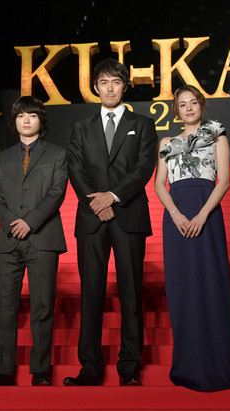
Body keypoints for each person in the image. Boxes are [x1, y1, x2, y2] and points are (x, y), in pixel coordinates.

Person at [65, 58, 157, 386]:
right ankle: (90, 367)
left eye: (115, 82)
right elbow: (75, 167)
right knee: (91, 292)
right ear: (95, 88)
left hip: (128, 215)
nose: (109, 88)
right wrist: (96, 201)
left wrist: (113, 197)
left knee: (131, 292)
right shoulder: (81, 127)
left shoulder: (143, 125)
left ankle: (129, 368)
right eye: (103, 82)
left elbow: (144, 168)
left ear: (124, 86)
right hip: (92, 218)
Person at [154, 85, 230, 391]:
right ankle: (188, 365)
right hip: (176, 218)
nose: (189, 108)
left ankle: (219, 364)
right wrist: (176, 215)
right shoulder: (167, 142)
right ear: (176, 110)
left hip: (208, 215)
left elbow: (225, 181)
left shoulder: (217, 136)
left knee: (211, 284)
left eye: (193, 102)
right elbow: (158, 185)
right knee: (183, 287)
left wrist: (203, 215)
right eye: (183, 104)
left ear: (201, 105)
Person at [0, 96, 68, 387]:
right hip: (8, 239)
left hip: (43, 237)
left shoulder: (57, 154)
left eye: (32, 115)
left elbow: (57, 192)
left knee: (43, 306)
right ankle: (2, 371)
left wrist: (30, 221)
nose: (26, 120)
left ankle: (40, 371)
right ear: (14, 121)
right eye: (20, 116)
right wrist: (11, 224)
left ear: (41, 121)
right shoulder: (2, 158)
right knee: (5, 306)